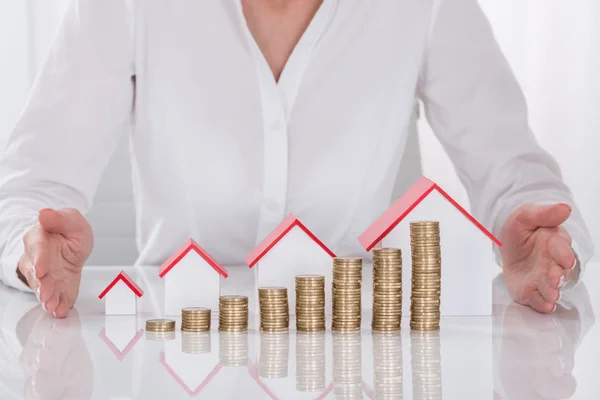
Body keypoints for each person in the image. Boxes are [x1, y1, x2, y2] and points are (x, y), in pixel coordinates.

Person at [0, 0, 594, 318]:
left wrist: (543, 245)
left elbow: (517, 174)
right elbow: (27, 190)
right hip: (175, 357)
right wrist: (33, 251)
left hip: (350, 357)